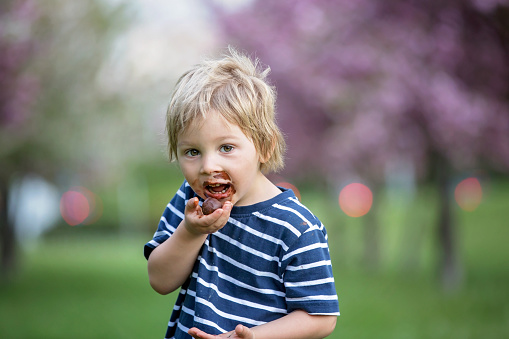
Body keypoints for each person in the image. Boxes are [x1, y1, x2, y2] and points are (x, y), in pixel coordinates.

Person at [144, 47, 340, 339]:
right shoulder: (190, 203)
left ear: (265, 146)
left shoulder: (295, 228)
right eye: (192, 151)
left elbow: (320, 317)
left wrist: (253, 337)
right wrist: (191, 232)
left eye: (226, 148)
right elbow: (160, 280)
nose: (209, 166)